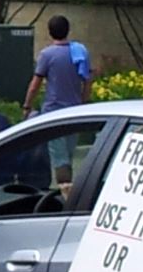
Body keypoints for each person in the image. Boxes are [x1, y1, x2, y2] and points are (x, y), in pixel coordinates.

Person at [22, 15, 93, 184]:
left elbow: (36, 83)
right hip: (75, 110)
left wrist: (27, 105)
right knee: (68, 153)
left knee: (60, 158)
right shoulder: (79, 53)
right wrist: (84, 102)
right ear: (68, 30)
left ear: (50, 32)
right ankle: (68, 186)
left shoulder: (47, 54)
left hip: (54, 112)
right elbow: (88, 81)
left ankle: (65, 192)